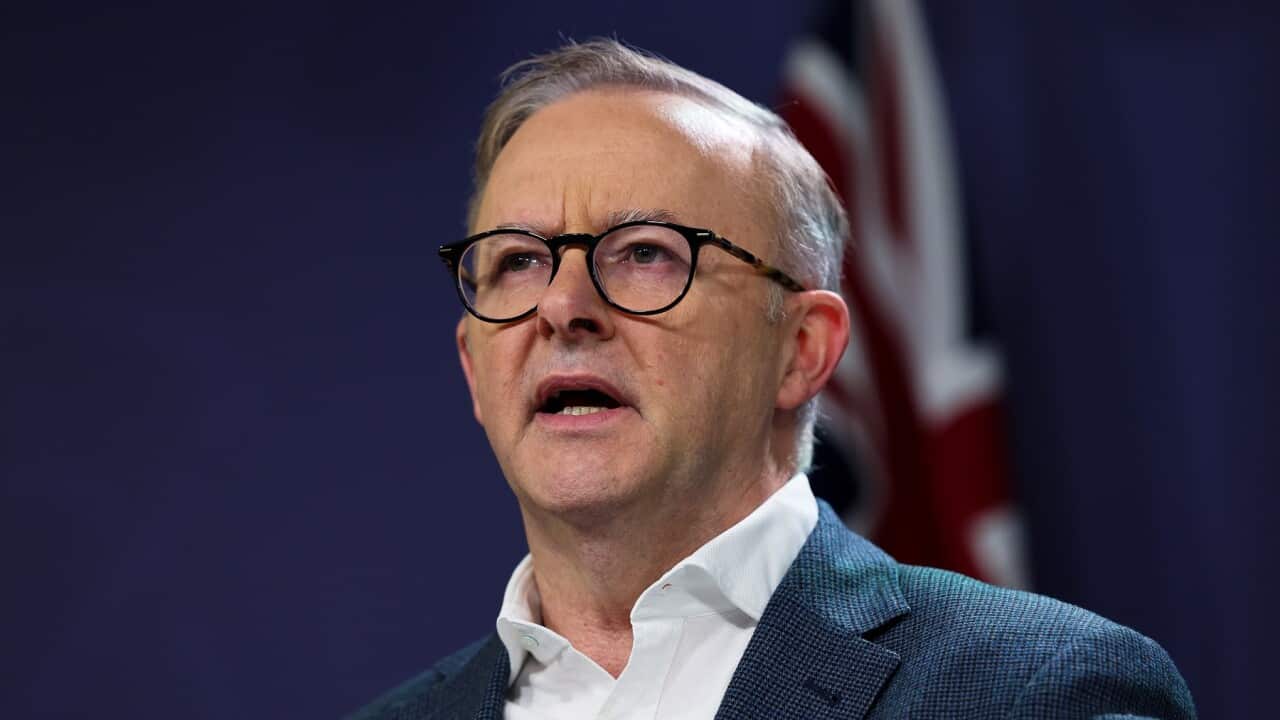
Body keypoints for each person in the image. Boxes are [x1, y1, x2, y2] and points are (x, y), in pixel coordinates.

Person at [351, 39, 1195, 719]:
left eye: (646, 253)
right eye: (519, 262)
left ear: (802, 349)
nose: (563, 306)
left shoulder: (1038, 691)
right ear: (473, 367)